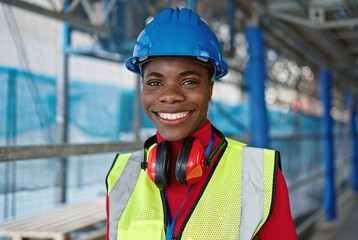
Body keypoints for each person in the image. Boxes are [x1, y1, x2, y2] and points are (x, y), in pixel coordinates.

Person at [106, 7, 297, 240]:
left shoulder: (259, 176)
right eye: (155, 83)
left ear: (209, 89)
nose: (170, 95)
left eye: (188, 81)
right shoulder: (122, 176)